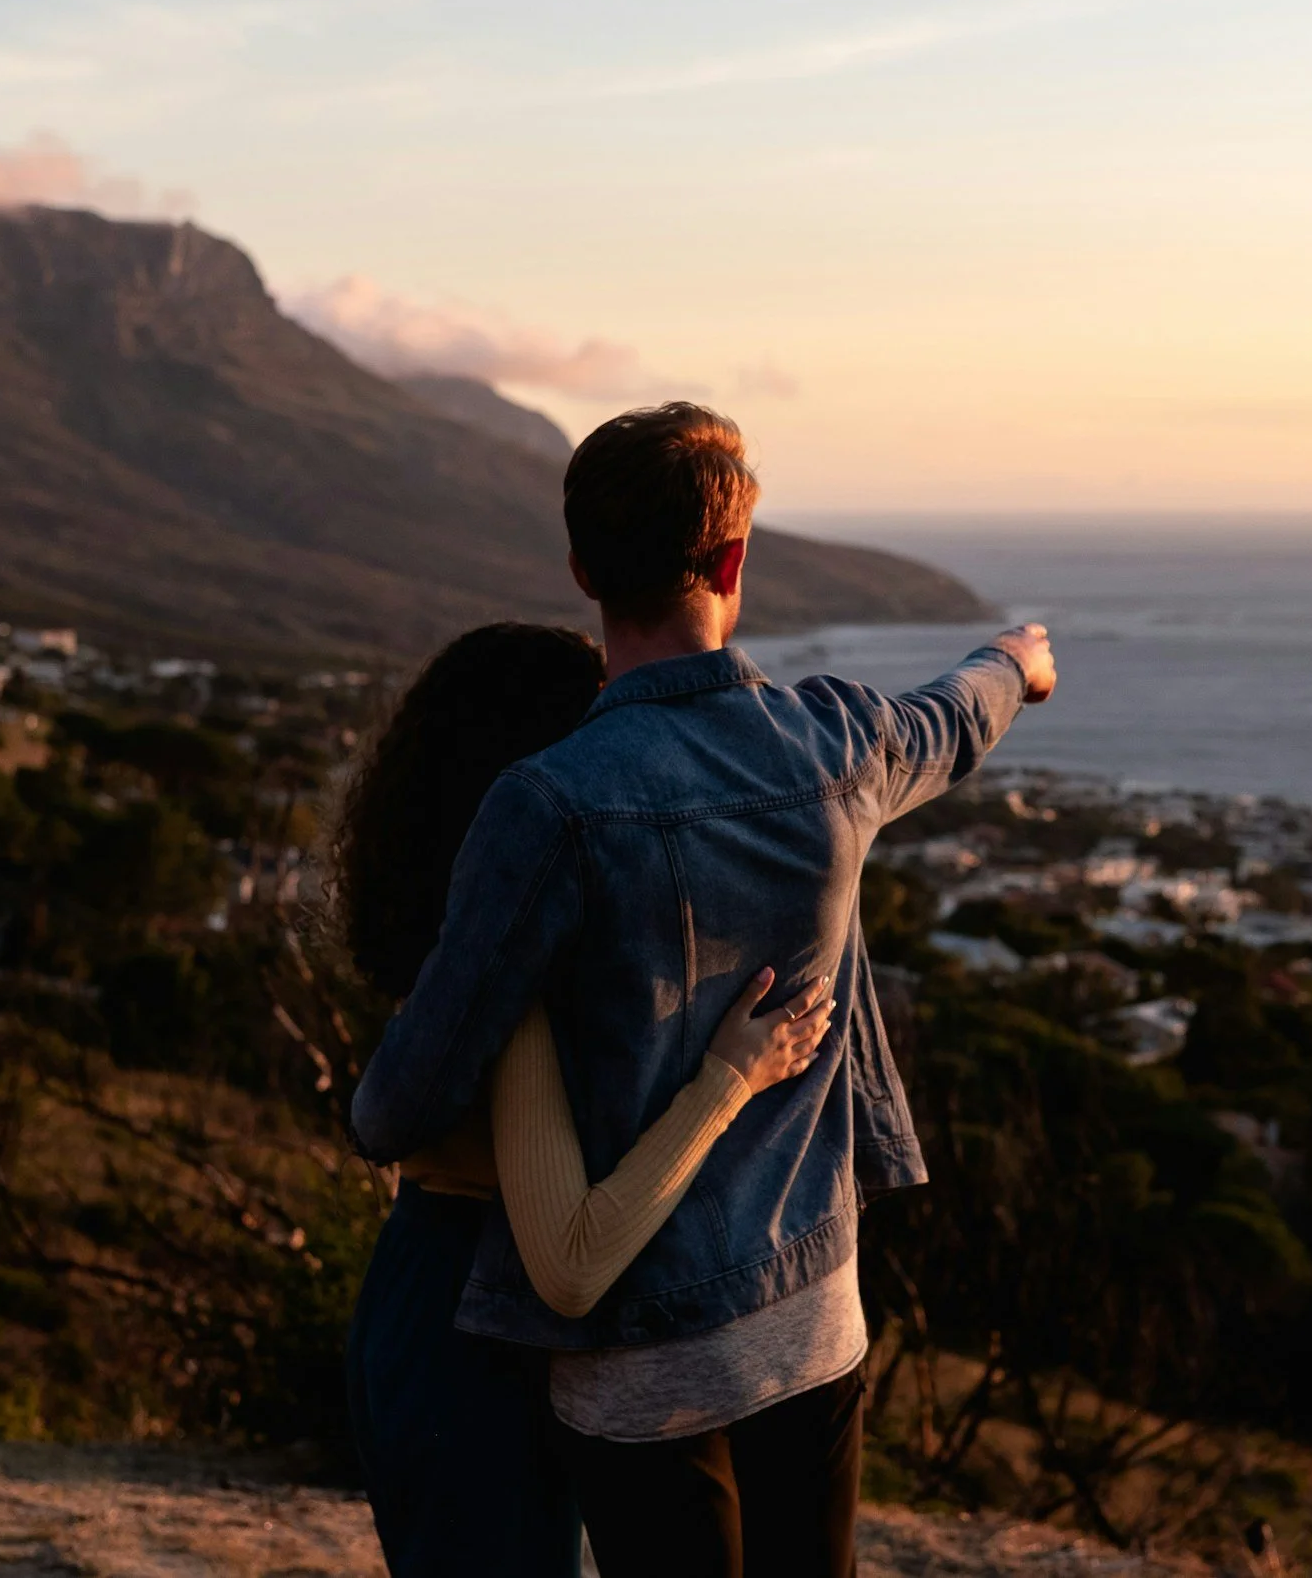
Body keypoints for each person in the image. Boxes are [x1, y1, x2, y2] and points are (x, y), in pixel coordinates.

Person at [351, 404, 1057, 1578]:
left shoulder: (541, 804)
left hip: (635, 1357)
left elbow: (396, 1103)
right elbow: (952, 717)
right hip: (810, 1308)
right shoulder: (835, 742)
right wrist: (1017, 662)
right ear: (732, 561)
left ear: (580, 567)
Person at [334, 622, 841, 1577]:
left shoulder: (477, 942)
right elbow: (570, 1255)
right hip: (472, 1326)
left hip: (433, 1290)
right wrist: (733, 1074)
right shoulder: (511, 979)